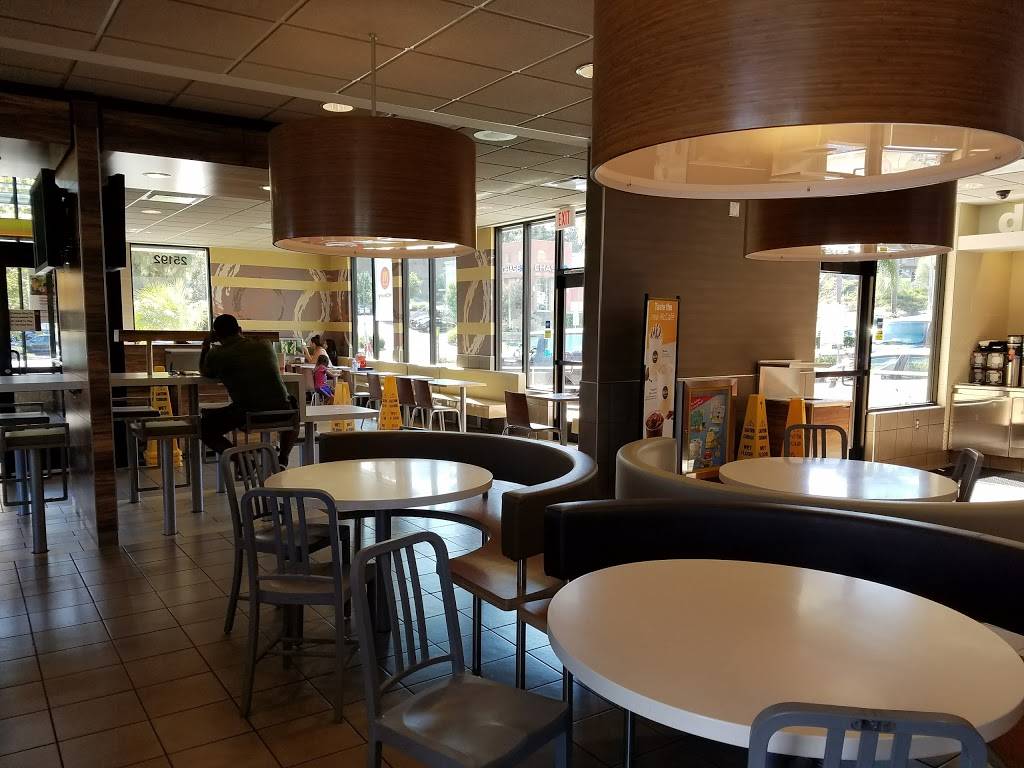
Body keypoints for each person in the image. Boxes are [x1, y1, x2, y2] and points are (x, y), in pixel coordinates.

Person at [200, 314, 298, 466]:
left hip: (249, 415)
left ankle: (244, 462)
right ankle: (283, 459)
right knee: (293, 404)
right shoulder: (265, 345)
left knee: (204, 427)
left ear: (217, 336)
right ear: (240, 329)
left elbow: (205, 372)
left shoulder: (217, 354)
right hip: (284, 413)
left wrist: (206, 346)